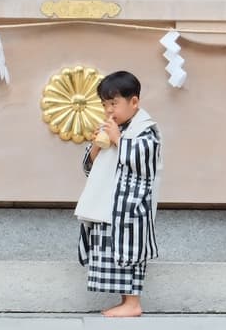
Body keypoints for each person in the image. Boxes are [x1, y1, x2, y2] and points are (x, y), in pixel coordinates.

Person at [73, 70, 162, 318]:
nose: (109, 110)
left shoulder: (145, 129)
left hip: (130, 207)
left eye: (114, 103)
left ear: (134, 102)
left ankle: (133, 302)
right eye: (105, 105)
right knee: (109, 251)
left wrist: (119, 139)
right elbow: (89, 167)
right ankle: (124, 301)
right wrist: (97, 147)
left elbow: (143, 161)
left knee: (128, 252)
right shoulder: (115, 127)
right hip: (107, 204)